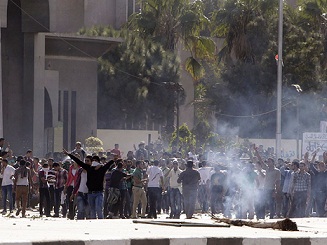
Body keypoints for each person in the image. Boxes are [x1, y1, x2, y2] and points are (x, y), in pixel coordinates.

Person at [64, 149, 114, 219]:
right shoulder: (88, 168)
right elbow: (78, 162)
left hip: (98, 193)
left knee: (98, 209)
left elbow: (108, 164)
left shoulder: (102, 169)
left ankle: (101, 224)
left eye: (95, 161)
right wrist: (69, 154)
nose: (94, 162)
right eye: (93, 161)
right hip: (90, 193)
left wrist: (113, 160)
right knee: (90, 210)